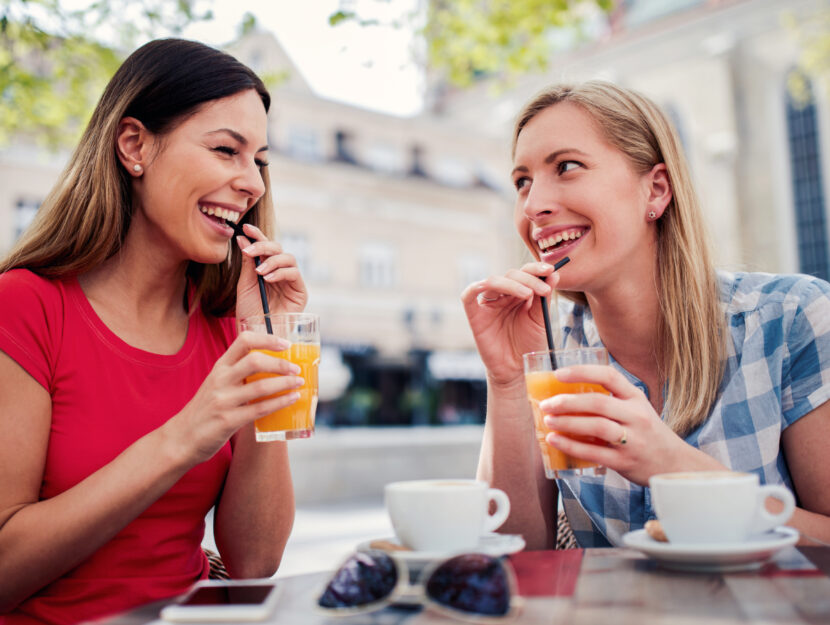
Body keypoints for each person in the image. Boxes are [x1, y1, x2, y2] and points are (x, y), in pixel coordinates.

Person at [0, 39, 307, 624]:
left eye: (259, 161)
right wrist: (184, 436)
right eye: (226, 150)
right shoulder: (25, 306)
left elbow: (257, 559)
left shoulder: (227, 332)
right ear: (134, 145)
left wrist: (270, 341)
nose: (254, 184)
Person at [463, 81, 830, 549]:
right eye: (522, 182)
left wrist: (672, 464)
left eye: (567, 166)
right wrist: (509, 379)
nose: (533, 206)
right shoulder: (553, 355)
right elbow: (513, 559)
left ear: (655, 189)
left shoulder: (793, 319)